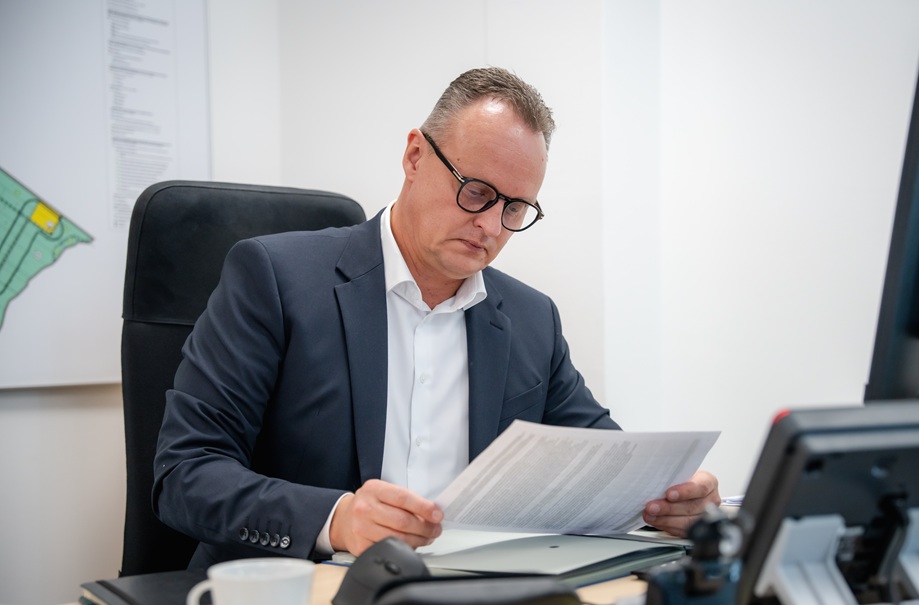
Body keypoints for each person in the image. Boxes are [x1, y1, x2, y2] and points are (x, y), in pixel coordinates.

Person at [154, 67, 720, 570]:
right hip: (296, 603)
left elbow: (608, 466)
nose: (491, 226)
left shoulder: (531, 320)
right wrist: (336, 518)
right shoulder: (275, 279)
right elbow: (185, 473)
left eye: (515, 208)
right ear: (415, 156)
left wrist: (671, 499)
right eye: (476, 192)